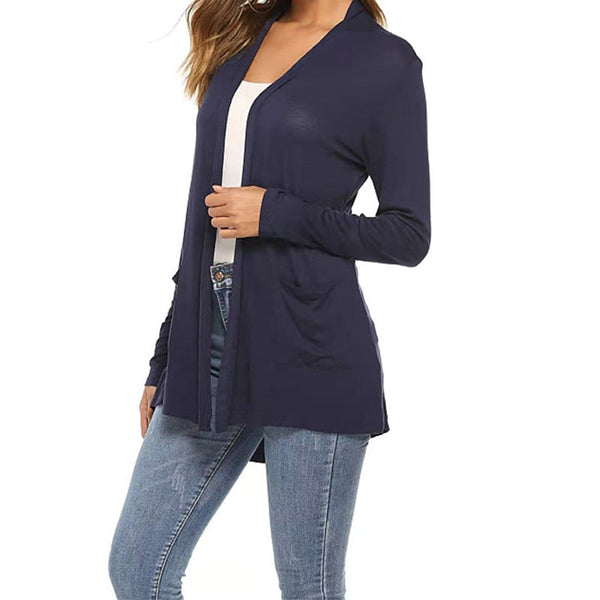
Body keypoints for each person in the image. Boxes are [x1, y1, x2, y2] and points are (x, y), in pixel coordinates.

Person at [109, 0, 431, 598]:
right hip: (209, 343)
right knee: (137, 569)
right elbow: (201, 227)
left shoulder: (384, 61)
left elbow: (409, 235)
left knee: (308, 588)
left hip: (312, 350)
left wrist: (276, 213)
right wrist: (165, 355)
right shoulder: (242, 36)